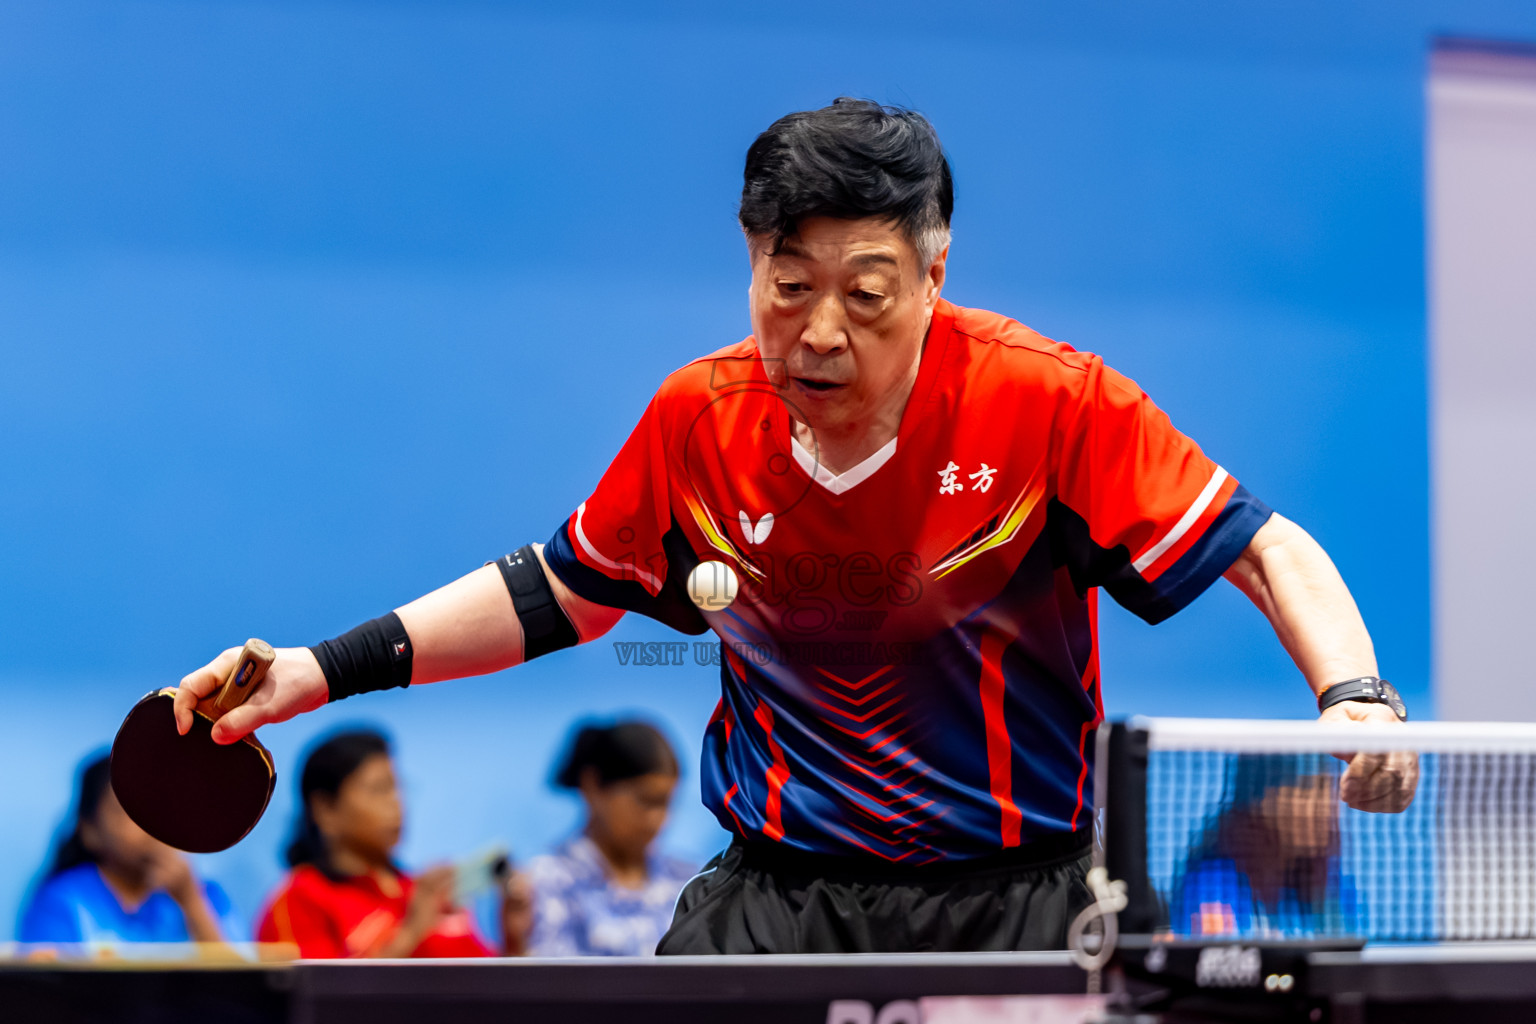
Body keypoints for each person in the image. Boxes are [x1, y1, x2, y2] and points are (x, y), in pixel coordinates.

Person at [174, 98, 1418, 955]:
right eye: (788, 286)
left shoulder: (1048, 400)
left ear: (934, 274)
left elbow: (1262, 545)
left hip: (1022, 901)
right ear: (749, 259)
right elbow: (562, 586)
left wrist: (1354, 691)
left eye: (867, 293)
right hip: (777, 896)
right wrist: (312, 671)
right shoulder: (697, 418)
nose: (820, 331)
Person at [255, 729, 531, 958]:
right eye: (379, 789)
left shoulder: (421, 892)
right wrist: (411, 933)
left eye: (398, 788)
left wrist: (513, 940)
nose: (396, 803)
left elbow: (487, 996)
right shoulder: (300, 901)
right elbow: (316, 1003)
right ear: (325, 808)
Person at [18, 753, 241, 947]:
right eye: (127, 811)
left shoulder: (204, 895)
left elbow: (243, 987)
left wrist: (192, 904)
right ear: (90, 832)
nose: (149, 823)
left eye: (158, 806)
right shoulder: (61, 903)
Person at [526, 720, 696, 956]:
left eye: (666, 803)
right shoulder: (548, 882)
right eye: (646, 800)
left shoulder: (687, 882)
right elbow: (544, 985)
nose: (659, 819)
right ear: (592, 785)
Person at [1173, 755, 1360, 938]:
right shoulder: (1212, 884)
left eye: (1331, 790)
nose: (1325, 807)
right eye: (1307, 789)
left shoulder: (1334, 886)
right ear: (1263, 801)